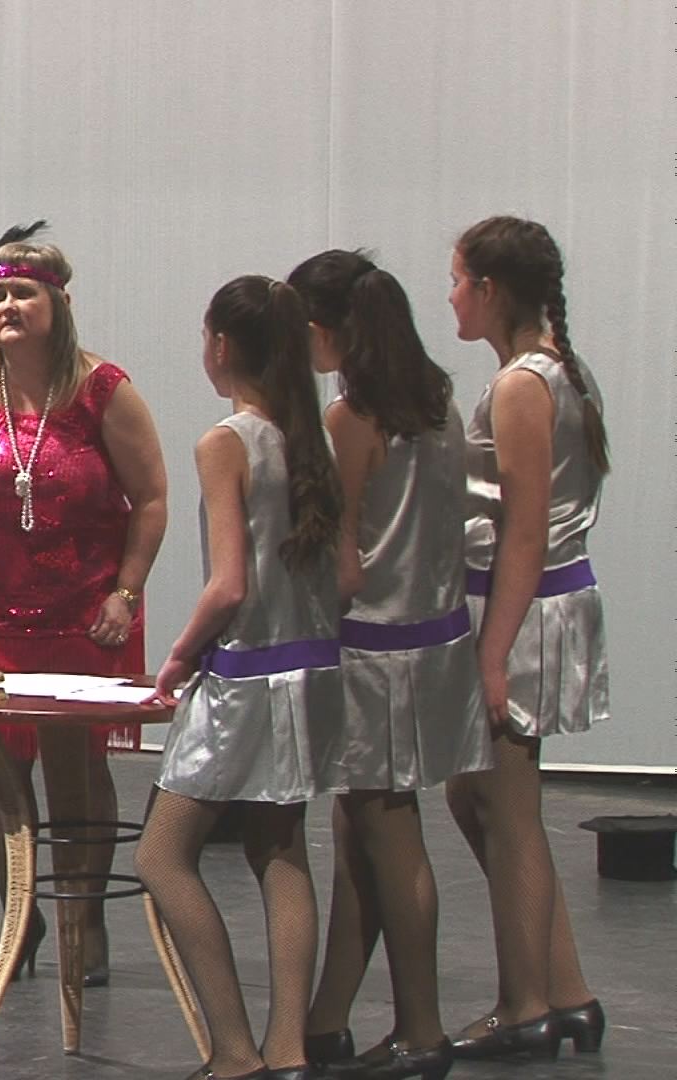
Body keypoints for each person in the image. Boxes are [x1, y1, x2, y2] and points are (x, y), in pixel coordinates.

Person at [0, 221, 168, 985]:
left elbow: (151, 497)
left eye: (23, 294)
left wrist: (127, 592)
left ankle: (81, 923)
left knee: (74, 766)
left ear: (58, 304)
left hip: (82, 618)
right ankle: (20, 919)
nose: (6, 307)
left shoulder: (102, 390)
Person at [286, 250, 492, 1080]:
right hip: (436, 640)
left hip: (374, 651)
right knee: (361, 830)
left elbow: (342, 567)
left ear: (322, 329)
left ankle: (421, 1029)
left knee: (391, 835)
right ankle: (329, 1017)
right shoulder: (437, 405)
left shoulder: (351, 419)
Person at [135, 275, 344, 1080]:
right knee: (281, 849)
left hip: (246, 678)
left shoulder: (228, 442)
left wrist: (180, 655)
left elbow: (229, 585)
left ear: (221, 346)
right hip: (309, 671)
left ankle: (233, 1050)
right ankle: (288, 1048)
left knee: (161, 855)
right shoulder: (310, 439)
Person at [442, 216, 607, 1061]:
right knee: (477, 798)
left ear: (490, 289)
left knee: (507, 809)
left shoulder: (522, 385)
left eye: (458, 280)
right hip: (528, 604)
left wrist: (492, 653)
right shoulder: (552, 371)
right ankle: (565, 991)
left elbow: (525, 530)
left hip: (522, 609)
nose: (450, 297)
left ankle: (525, 1004)